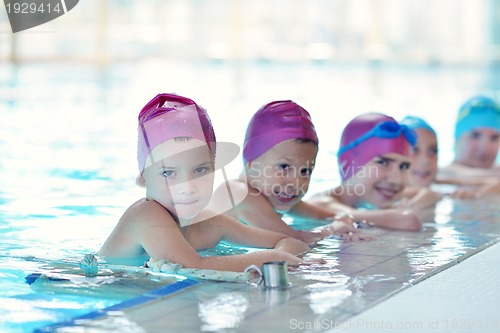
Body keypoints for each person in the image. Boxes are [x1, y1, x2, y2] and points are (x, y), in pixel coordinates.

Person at [98, 93, 322, 271]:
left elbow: (290, 241)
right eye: (168, 173)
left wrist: (282, 254)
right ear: (143, 178)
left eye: (199, 171)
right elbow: (194, 266)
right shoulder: (145, 215)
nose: (186, 187)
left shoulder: (210, 222)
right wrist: (274, 258)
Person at [209, 100, 359, 245]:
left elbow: (323, 216)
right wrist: (331, 231)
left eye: (305, 171)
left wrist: (342, 218)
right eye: (284, 167)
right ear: (251, 162)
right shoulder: (237, 194)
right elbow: (289, 238)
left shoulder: (275, 195)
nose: (296, 183)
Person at [308, 112, 430, 231]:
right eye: (383, 162)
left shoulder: (365, 201)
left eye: (403, 166)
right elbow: (409, 221)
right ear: (349, 162)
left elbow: (429, 193)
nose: (396, 180)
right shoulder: (321, 204)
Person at [401, 115, 500, 199]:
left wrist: (476, 194)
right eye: (414, 150)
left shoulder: (437, 183)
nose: (425, 161)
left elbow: (495, 185)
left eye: (432, 151)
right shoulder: (397, 196)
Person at [439, 95, 500, 180]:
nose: (485, 147)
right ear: (457, 138)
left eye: (494, 138)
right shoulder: (432, 175)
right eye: (475, 135)